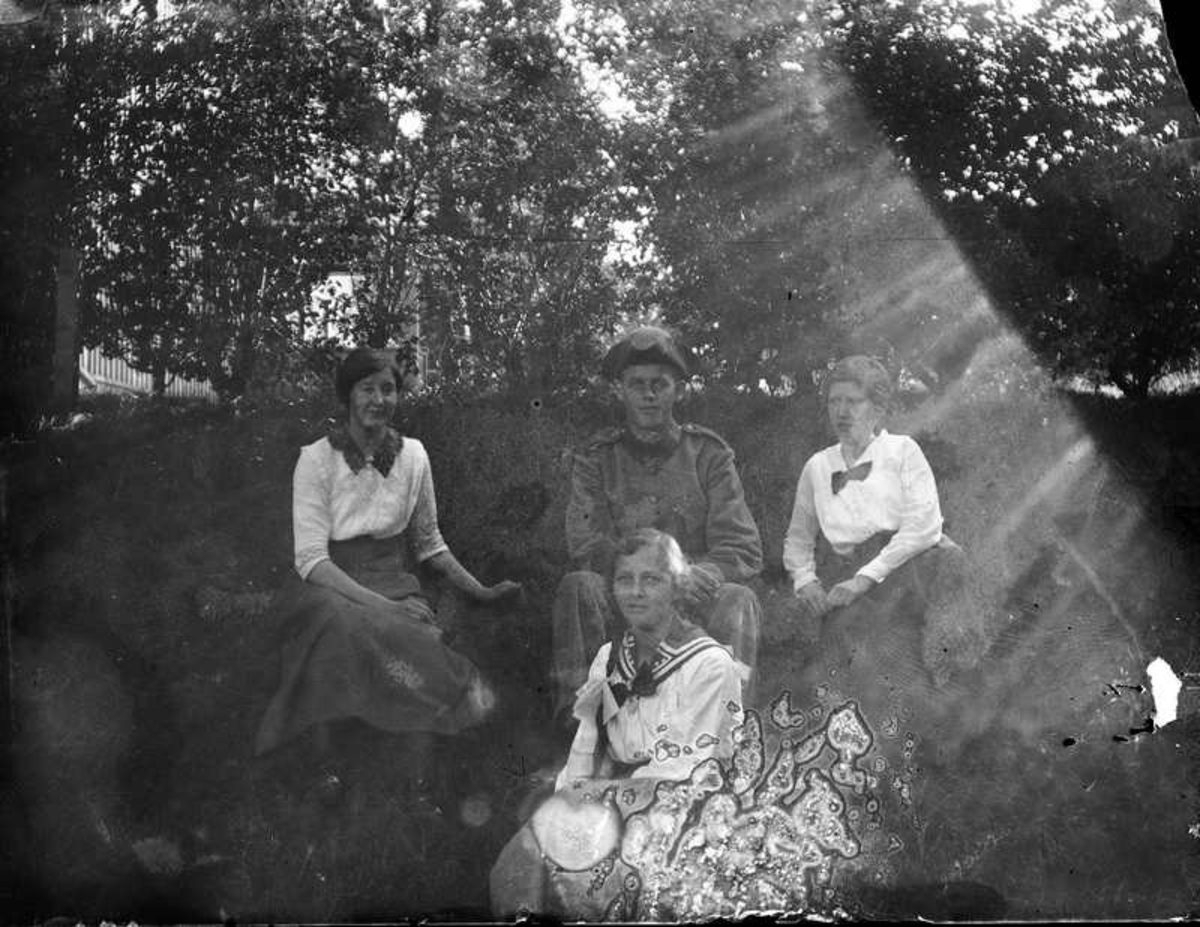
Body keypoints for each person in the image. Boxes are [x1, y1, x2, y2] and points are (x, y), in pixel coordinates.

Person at [255, 347, 521, 798]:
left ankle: (416, 779)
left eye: (388, 389)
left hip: (392, 579)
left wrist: (482, 590)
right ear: (348, 396)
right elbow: (310, 559)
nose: (378, 400)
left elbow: (429, 541)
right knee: (339, 625)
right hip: (327, 583)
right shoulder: (316, 460)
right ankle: (325, 766)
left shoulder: (413, 456)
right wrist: (382, 607)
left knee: (417, 640)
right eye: (367, 389)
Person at [490, 529, 745, 919]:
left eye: (651, 580)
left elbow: (687, 771)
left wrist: (599, 797)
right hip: (614, 797)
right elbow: (588, 744)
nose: (635, 592)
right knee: (526, 853)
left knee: (606, 879)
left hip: (682, 808)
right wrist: (571, 795)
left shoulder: (709, 664)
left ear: (676, 588)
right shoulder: (610, 657)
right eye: (625, 580)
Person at [552, 325, 763, 719]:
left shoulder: (709, 455)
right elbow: (585, 540)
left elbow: (741, 545)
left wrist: (695, 575)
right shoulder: (597, 458)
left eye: (659, 384)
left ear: (678, 391)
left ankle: (729, 731)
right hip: (625, 590)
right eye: (637, 384)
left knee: (737, 600)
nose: (648, 394)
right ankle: (583, 726)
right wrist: (645, 576)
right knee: (579, 587)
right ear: (620, 390)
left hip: (690, 591)